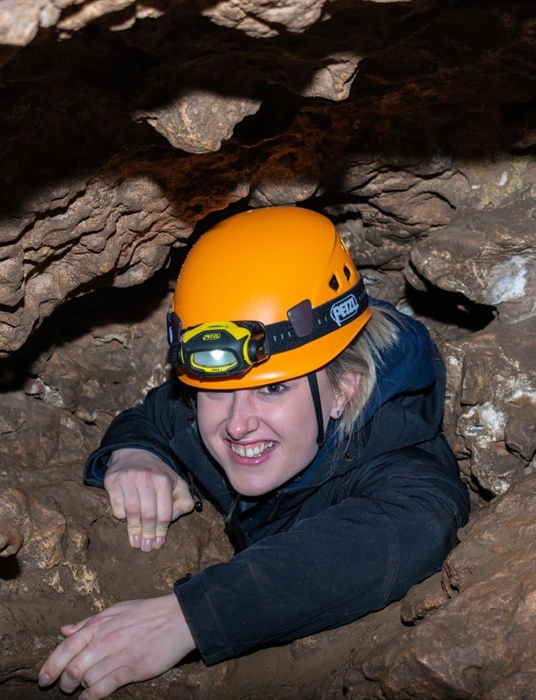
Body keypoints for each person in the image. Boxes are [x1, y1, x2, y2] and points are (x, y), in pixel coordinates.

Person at [39, 206, 470, 700]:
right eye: (218, 391)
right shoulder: (205, 409)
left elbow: (416, 526)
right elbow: (156, 416)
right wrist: (135, 454)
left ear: (344, 389)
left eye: (272, 391)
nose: (238, 424)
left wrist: (188, 618)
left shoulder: (399, 462)